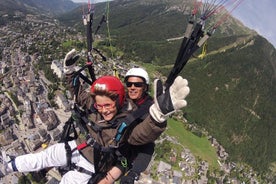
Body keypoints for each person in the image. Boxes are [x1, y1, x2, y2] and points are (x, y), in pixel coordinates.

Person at [0, 49, 190, 184]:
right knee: (41, 158)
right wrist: (70, 72)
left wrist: (157, 116)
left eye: (138, 84)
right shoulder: (109, 101)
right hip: (78, 147)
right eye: (129, 83)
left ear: (145, 86)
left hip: (94, 163)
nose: (104, 109)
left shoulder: (130, 119)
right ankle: (6, 166)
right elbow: (81, 97)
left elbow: (141, 136)